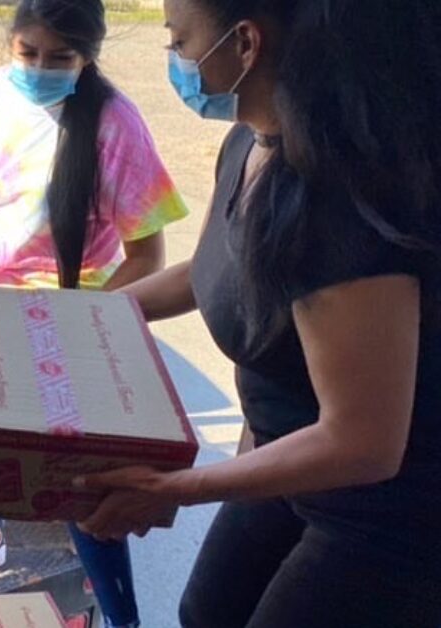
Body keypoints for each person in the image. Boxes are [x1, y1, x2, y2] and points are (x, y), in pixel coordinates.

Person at [74, 0, 441, 625]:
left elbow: (363, 442)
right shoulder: (251, 140)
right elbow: (215, 269)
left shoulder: (339, 198)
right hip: (287, 461)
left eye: (179, 40)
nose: (175, 60)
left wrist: (175, 489)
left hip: (382, 513)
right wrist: (88, 314)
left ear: (245, 44)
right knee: (207, 612)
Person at [0, 2, 189, 627]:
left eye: (60, 58)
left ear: (87, 56)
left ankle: (123, 619)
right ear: (9, 44)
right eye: (27, 54)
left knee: (84, 498)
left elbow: (149, 253)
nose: (40, 69)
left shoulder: (114, 124)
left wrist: (83, 324)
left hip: (69, 327)